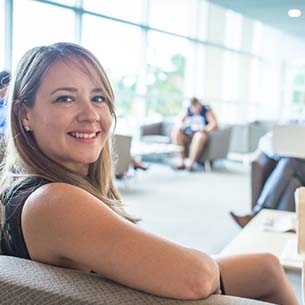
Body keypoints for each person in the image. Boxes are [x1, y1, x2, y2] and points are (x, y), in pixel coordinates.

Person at [0, 42, 298, 304]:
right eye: (65, 98)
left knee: (267, 267)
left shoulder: (24, 184)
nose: (90, 114)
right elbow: (195, 277)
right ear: (24, 114)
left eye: (99, 98)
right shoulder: (54, 201)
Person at [230, 130, 305, 228]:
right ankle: (279, 228)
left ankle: (257, 213)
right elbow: (265, 141)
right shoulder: (294, 123)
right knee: (293, 183)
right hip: (297, 172)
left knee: (290, 161)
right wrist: (280, 151)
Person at [172, 97, 218, 171]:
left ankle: (191, 163)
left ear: (199, 105)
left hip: (201, 133)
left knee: (198, 136)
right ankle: (182, 161)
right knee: (176, 132)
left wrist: (204, 129)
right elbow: (179, 120)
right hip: (189, 133)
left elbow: (213, 124)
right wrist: (181, 125)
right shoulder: (188, 110)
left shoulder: (206, 110)